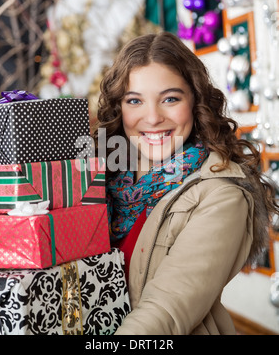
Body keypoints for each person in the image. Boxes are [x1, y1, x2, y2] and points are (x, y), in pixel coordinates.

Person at [92, 31, 279, 335]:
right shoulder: (101, 182)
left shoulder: (222, 194)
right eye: (135, 100)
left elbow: (165, 312)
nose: (152, 118)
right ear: (119, 108)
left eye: (170, 99)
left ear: (195, 101)